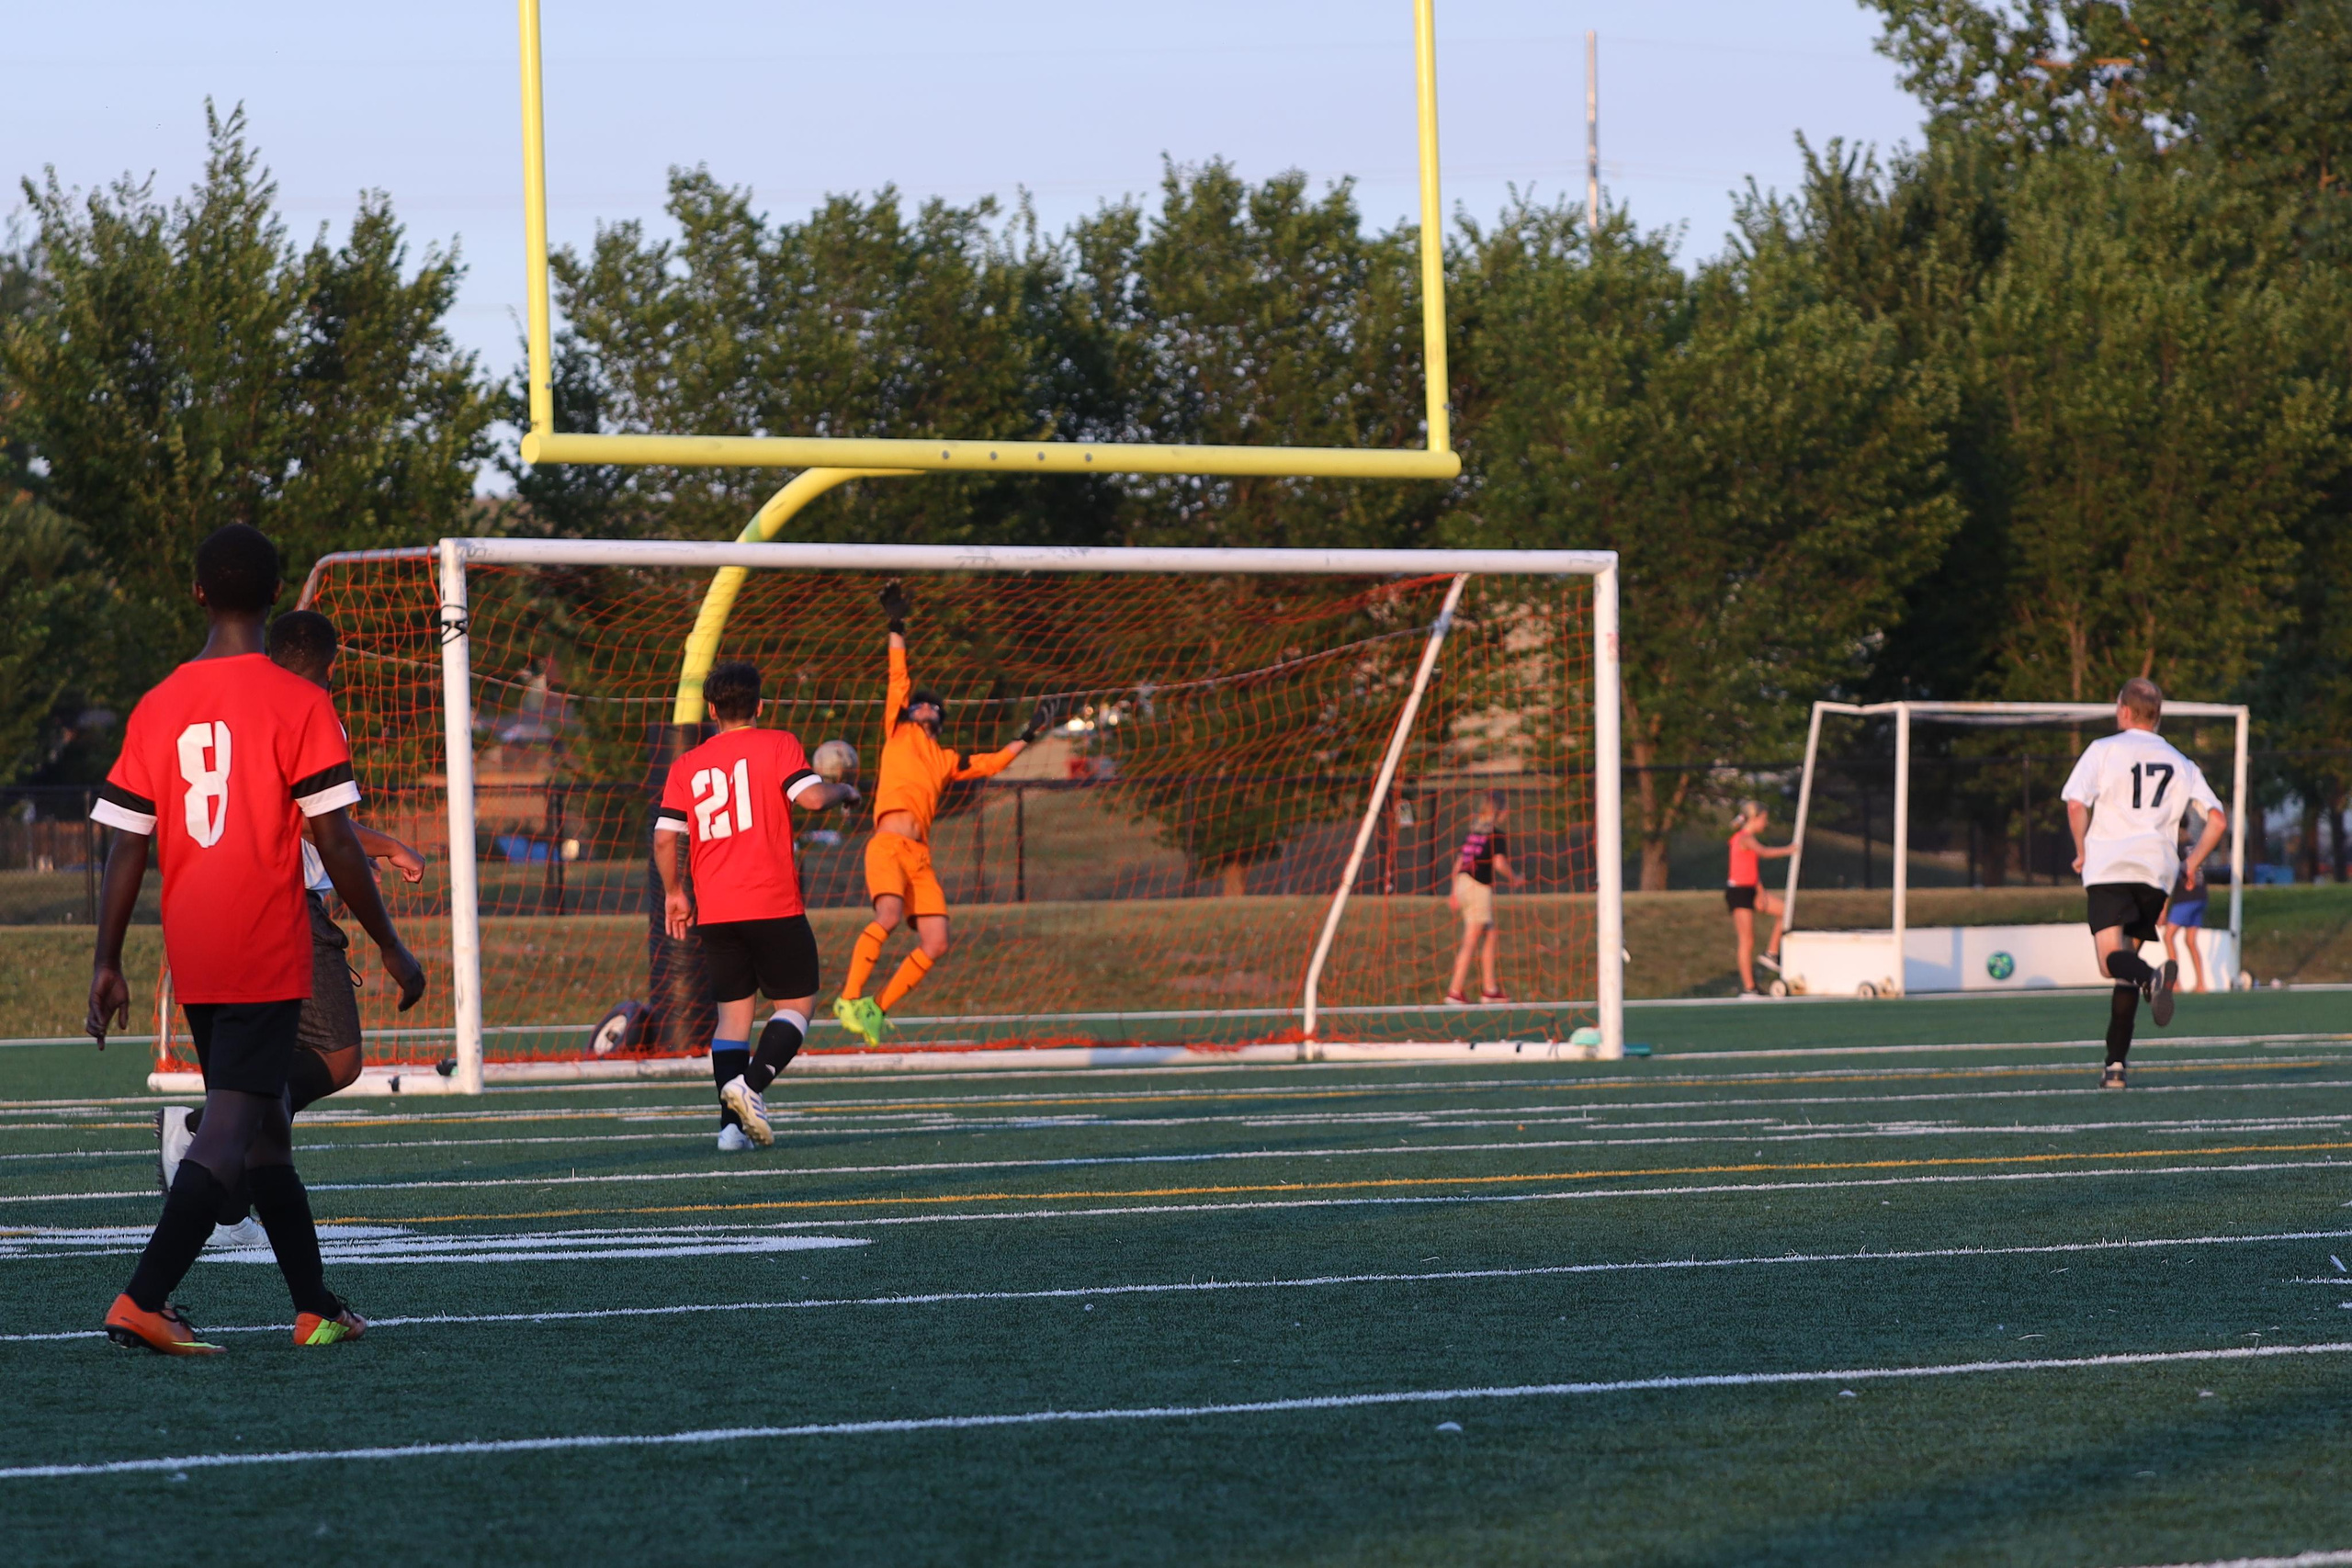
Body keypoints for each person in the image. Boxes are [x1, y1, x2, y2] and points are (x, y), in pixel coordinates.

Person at [87, 525, 425, 1355]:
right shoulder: (300, 701)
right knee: (237, 1123)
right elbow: (335, 838)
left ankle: (313, 1305)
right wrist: (388, 941)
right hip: (265, 943)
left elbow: (127, 843)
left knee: (267, 1124)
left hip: (195, 947)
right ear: (277, 596)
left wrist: (107, 959)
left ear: (198, 593)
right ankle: (143, 1298)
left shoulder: (159, 702)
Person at [153, 610, 430, 1247]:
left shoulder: (215, 707)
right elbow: (316, 824)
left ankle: (226, 1206)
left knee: (266, 1069)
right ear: (328, 667)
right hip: (282, 905)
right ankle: (202, 1137)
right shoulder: (306, 710)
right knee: (336, 1057)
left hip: (205, 906)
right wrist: (388, 862)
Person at [831, 581, 1056, 1046]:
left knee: (936, 940)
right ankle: (848, 997)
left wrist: (1030, 732)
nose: (924, 708)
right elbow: (898, 678)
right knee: (888, 916)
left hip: (919, 856)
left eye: (932, 706)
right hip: (887, 846)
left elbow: (993, 763)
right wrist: (896, 625)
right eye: (919, 704)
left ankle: (875, 1008)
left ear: (939, 718)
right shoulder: (897, 731)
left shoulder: (946, 759)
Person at [655, 660, 859, 1147]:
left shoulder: (686, 764)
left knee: (732, 1018)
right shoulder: (778, 743)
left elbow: (664, 837)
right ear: (760, 706)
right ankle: (749, 1086)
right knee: (797, 1005)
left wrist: (675, 893)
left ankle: (730, 1130)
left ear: (711, 710)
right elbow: (813, 799)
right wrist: (846, 789)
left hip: (716, 909)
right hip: (771, 900)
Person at [2062, 677, 2227, 1089]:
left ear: (2123, 710)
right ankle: (2115, 1067)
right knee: (2126, 973)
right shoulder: (2182, 762)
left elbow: (2077, 803)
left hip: (2111, 866)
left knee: (2109, 961)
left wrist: (2081, 849)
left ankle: (2153, 978)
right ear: (2158, 715)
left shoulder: (2103, 749)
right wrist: (2191, 864)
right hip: (2157, 872)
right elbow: (2217, 820)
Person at [1442, 794, 1522, 1004]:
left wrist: (1453, 892)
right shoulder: (1495, 835)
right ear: (1501, 812)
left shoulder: (1473, 832)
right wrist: (1515, 878)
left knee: (1490, 933)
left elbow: (1459, 863)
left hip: (1463, 884)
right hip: (1478, 888)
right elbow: (1499, 863)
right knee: (1471, 939)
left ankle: (1490, 989)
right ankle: (1454, 991)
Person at [1725, 800, 1796, 997]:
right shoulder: (1744, 838)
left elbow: (1750, 868)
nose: (1766, 823)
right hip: (1739, 892)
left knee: (1785, 911)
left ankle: (1771, 953)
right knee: (1747, 940)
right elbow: (1763, 852)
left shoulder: (1749, 838)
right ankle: (1750, 987)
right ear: (1754, 819)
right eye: (1764, 819)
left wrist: (1760, 890)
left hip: (1752, 889)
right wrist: (1789, 850)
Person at [2160, 809, 2213, 995]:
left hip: (2186, 898)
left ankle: (2175, 983)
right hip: (2201, 895)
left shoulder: (2177, 847)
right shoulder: (2193, 845)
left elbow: (2169, 879)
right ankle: (2201, 984)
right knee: (2190, 940)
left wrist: (2163, 910)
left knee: (2168, 937)